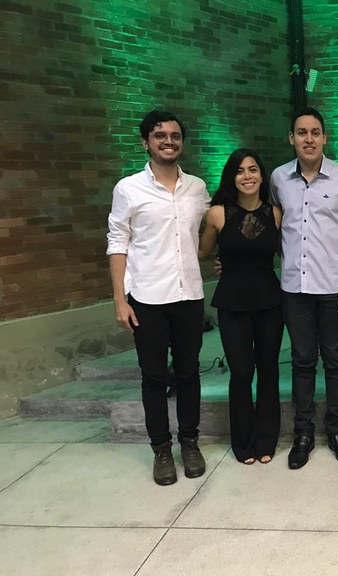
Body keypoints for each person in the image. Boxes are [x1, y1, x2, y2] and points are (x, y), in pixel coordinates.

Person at [107, 110, 209, 486]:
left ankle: (190, 442)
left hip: (189, 296)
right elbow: (117, 243)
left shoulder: (196, 188)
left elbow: (213, 229)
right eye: (160, 135)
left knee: (188, 373)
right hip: (147, 298)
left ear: (182, 142)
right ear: (145, 142)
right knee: (153, 377)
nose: (169, 141)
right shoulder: (128, 188)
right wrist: (120, 299)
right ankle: (162, 450)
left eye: (175, 136)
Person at [270, 107, 338, 469]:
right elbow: (272, 225)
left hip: (334, 289)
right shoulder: (278, 179)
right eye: (302, 132)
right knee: (301, 361)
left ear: (325, 137)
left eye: (315, 132)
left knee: (335, 361)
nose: (309, 139)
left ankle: (337, 433)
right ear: (292, 138)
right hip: (294, 289)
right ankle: (303, 434)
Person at [199, 148, 283, 465]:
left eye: (252, 169)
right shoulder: (218, 213)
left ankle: (267, 440)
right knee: (241, 371)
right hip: (233, 301)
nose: (247, 176)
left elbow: (289, 253)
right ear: (231, 178)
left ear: (262, 175)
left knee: (269, 369)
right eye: (239, 171)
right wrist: (222, 264)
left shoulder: (275, 213)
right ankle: (243, 442)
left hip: (269, 300)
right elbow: (201, 252)